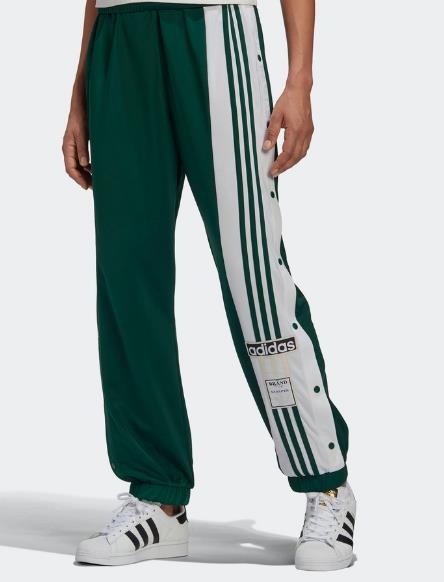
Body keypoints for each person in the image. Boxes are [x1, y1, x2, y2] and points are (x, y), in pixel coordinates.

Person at [63, 0, 356, 571]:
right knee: (128, 281)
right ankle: (158, 498)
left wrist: (299, 80)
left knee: (255, 280)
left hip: (215, 32)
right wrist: (80, 92)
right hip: (119, 42)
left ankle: (326, 484)